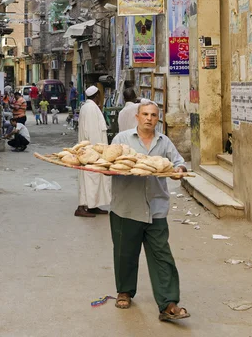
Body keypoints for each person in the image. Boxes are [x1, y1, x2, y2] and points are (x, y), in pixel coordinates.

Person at [109, 98, 189, 321]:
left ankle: (168, 303)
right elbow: (108, 164)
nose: (149, 119)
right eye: (145, 114)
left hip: (156, 208)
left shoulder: (163, 142)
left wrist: (180, 170)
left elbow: (178, 162)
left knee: (162, 255)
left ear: (157, 119)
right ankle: (124, 291)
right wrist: (111, 170)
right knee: (125, 253)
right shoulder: (122, 139)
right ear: (137, 116)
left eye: (153, 115)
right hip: (127, 207)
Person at [75, 86, 111, 218]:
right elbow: (92, 131)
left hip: (93, 150)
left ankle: (93, 205)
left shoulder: (89, 107)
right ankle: (82, 206)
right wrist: (97, 150)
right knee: (89, 178)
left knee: (95, 178)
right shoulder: (90, 108)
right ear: (97, 96)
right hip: (91, 151)